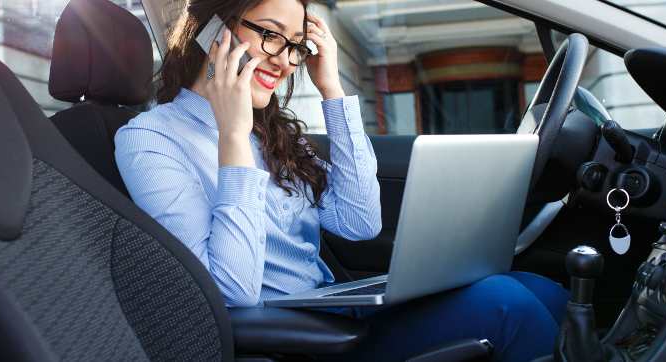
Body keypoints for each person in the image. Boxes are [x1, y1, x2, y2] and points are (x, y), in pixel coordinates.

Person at [114, 0, 569, 360]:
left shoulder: (268, 130)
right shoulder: (150, 140)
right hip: (297, 341)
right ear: (213, 31)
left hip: (334, 310)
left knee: (541, 289)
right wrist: (231, 136)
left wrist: (331, 88)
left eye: (296, 45)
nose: (287, 61)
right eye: (271, 35)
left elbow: (359, 222)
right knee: (509, 303)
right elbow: (230, 293)